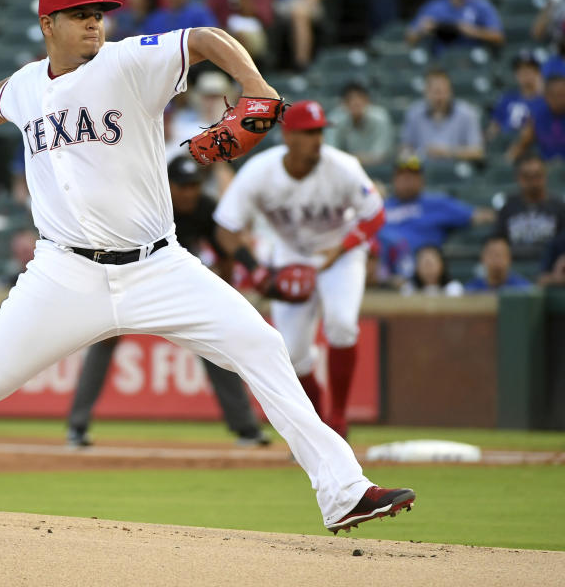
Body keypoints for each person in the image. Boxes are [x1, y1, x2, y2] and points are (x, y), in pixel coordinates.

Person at [0, 0, 415, 535]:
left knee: (263, 348)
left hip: (158, 266)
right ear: (48, 26)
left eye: (100, 11)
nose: (95, 21)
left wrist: (253, 83)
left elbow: (203, 36)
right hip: (63, 273)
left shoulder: (127, 63)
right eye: (80, 13)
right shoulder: (30, 85)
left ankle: (344, 492)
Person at [66, 157, 271, 448]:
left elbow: (225, 250)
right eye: (183, 186)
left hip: (176, 285)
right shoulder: (146, 204)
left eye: (194, 185)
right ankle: (77, 426)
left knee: (216, 339)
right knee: (106, 340)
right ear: (168, 186)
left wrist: (225, 293)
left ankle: (246, 428)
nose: (190, 192)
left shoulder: (204, 207)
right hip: (132, 278)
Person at [214, 100, 386, 440]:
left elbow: (375, 214)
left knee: (341, 324)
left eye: (320, 131)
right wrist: (256, 269)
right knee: (292, 355)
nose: (317, 139)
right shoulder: (260, 172)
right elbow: (225, 227)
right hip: (290, 253)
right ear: (288, 136)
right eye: (309, 133)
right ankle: (319, 425)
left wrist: (344, 248)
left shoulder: (343, 166)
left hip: (340, 250)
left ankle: (337, 416)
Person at [378, 156, 494, 279]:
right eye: (402, 175)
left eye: (412, 175)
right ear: (394, 179)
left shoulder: (437, 204)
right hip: (380, 273)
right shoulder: (381, 206)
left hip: (419, 276)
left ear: (421, 179)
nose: (407, 179)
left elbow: (480, 216)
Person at [400, 69, 485, 161]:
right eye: (436, 92)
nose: (440, 97)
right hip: (422, 169)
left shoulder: (467, 114)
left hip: (457, 169)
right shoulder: (414, 113)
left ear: (451, 92)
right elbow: (405, 148)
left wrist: (448, 152)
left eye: (444, 92)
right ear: (426, 92)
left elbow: (478, 152)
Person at [495, 152, 565, 256]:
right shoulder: (508, 207)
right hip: (514, 263)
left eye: (537, 175)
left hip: (549, 265)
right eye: (527, 176)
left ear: (545, 175)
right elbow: (497, 242)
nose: (533, 181)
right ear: (518, 177)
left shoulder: (559, 207)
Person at [327, 82, 394, 166]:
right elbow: (331, 151)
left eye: (360, 98)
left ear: (368, 101)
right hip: (346, 167)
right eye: (350, 99)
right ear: (343, 103)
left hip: (375, 168)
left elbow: (381, 154)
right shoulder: (335, 119)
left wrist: (353, 159)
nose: (355, 103)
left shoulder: (380, 117)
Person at [487, 51, 544, 142]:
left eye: (529, 68)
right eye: (519, 70)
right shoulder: (507, 98)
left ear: (538, 72)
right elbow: (494, 127)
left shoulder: (546, 100)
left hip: (532, 145)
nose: (524, 73)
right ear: (515, 74)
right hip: (504, 143)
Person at [506, 74, 565, 162]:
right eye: (553, 95)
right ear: (546, 96)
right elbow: (521, 144)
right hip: (546, 168)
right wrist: (507, 161)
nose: (558, 99)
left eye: (562, 95)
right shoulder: (537, 117)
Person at [464, 235, 532, 291]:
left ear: (509, 258)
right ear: (483, 258)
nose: (496, 259)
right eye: (492, 254)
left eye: (500, 254)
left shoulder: (523, 289)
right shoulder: (471, 289)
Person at [399, 245, 464, 296]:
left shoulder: (454, 288)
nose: (429, 269)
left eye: (431, 264)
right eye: (425, 265)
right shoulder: (409, 289)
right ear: (417, 267)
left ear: (442, 265)